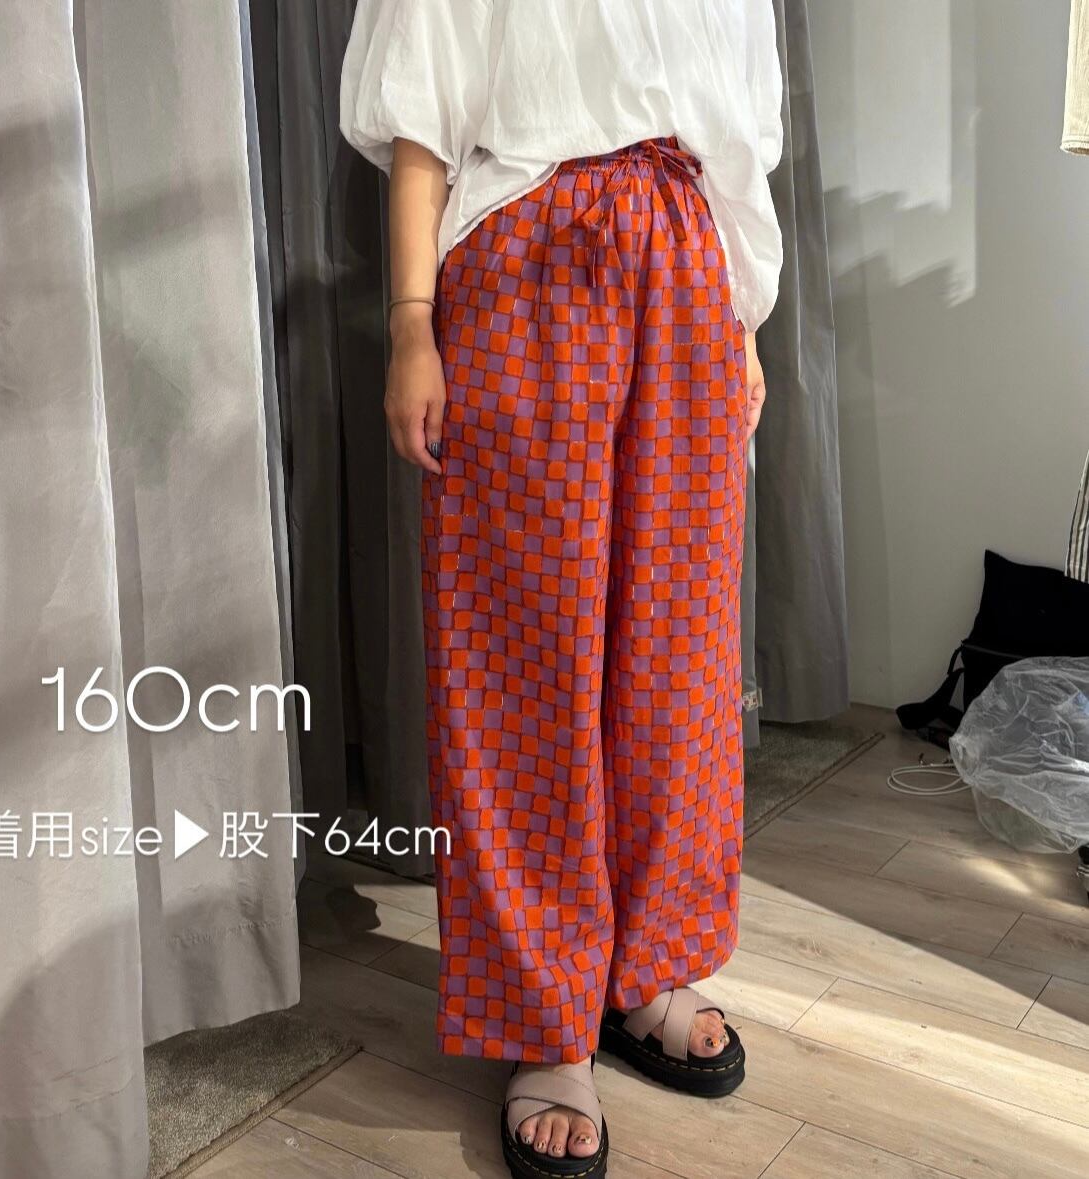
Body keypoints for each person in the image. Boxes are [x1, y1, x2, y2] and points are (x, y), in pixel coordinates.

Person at [341, 3, 783, 1176]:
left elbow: (738, 124)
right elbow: (424, 113)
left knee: (679, 652)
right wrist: (412, 323)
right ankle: (542, 1016)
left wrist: (742, 314)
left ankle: (647, 966)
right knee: (520, 660)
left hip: (690, 266)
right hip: (525, 251)